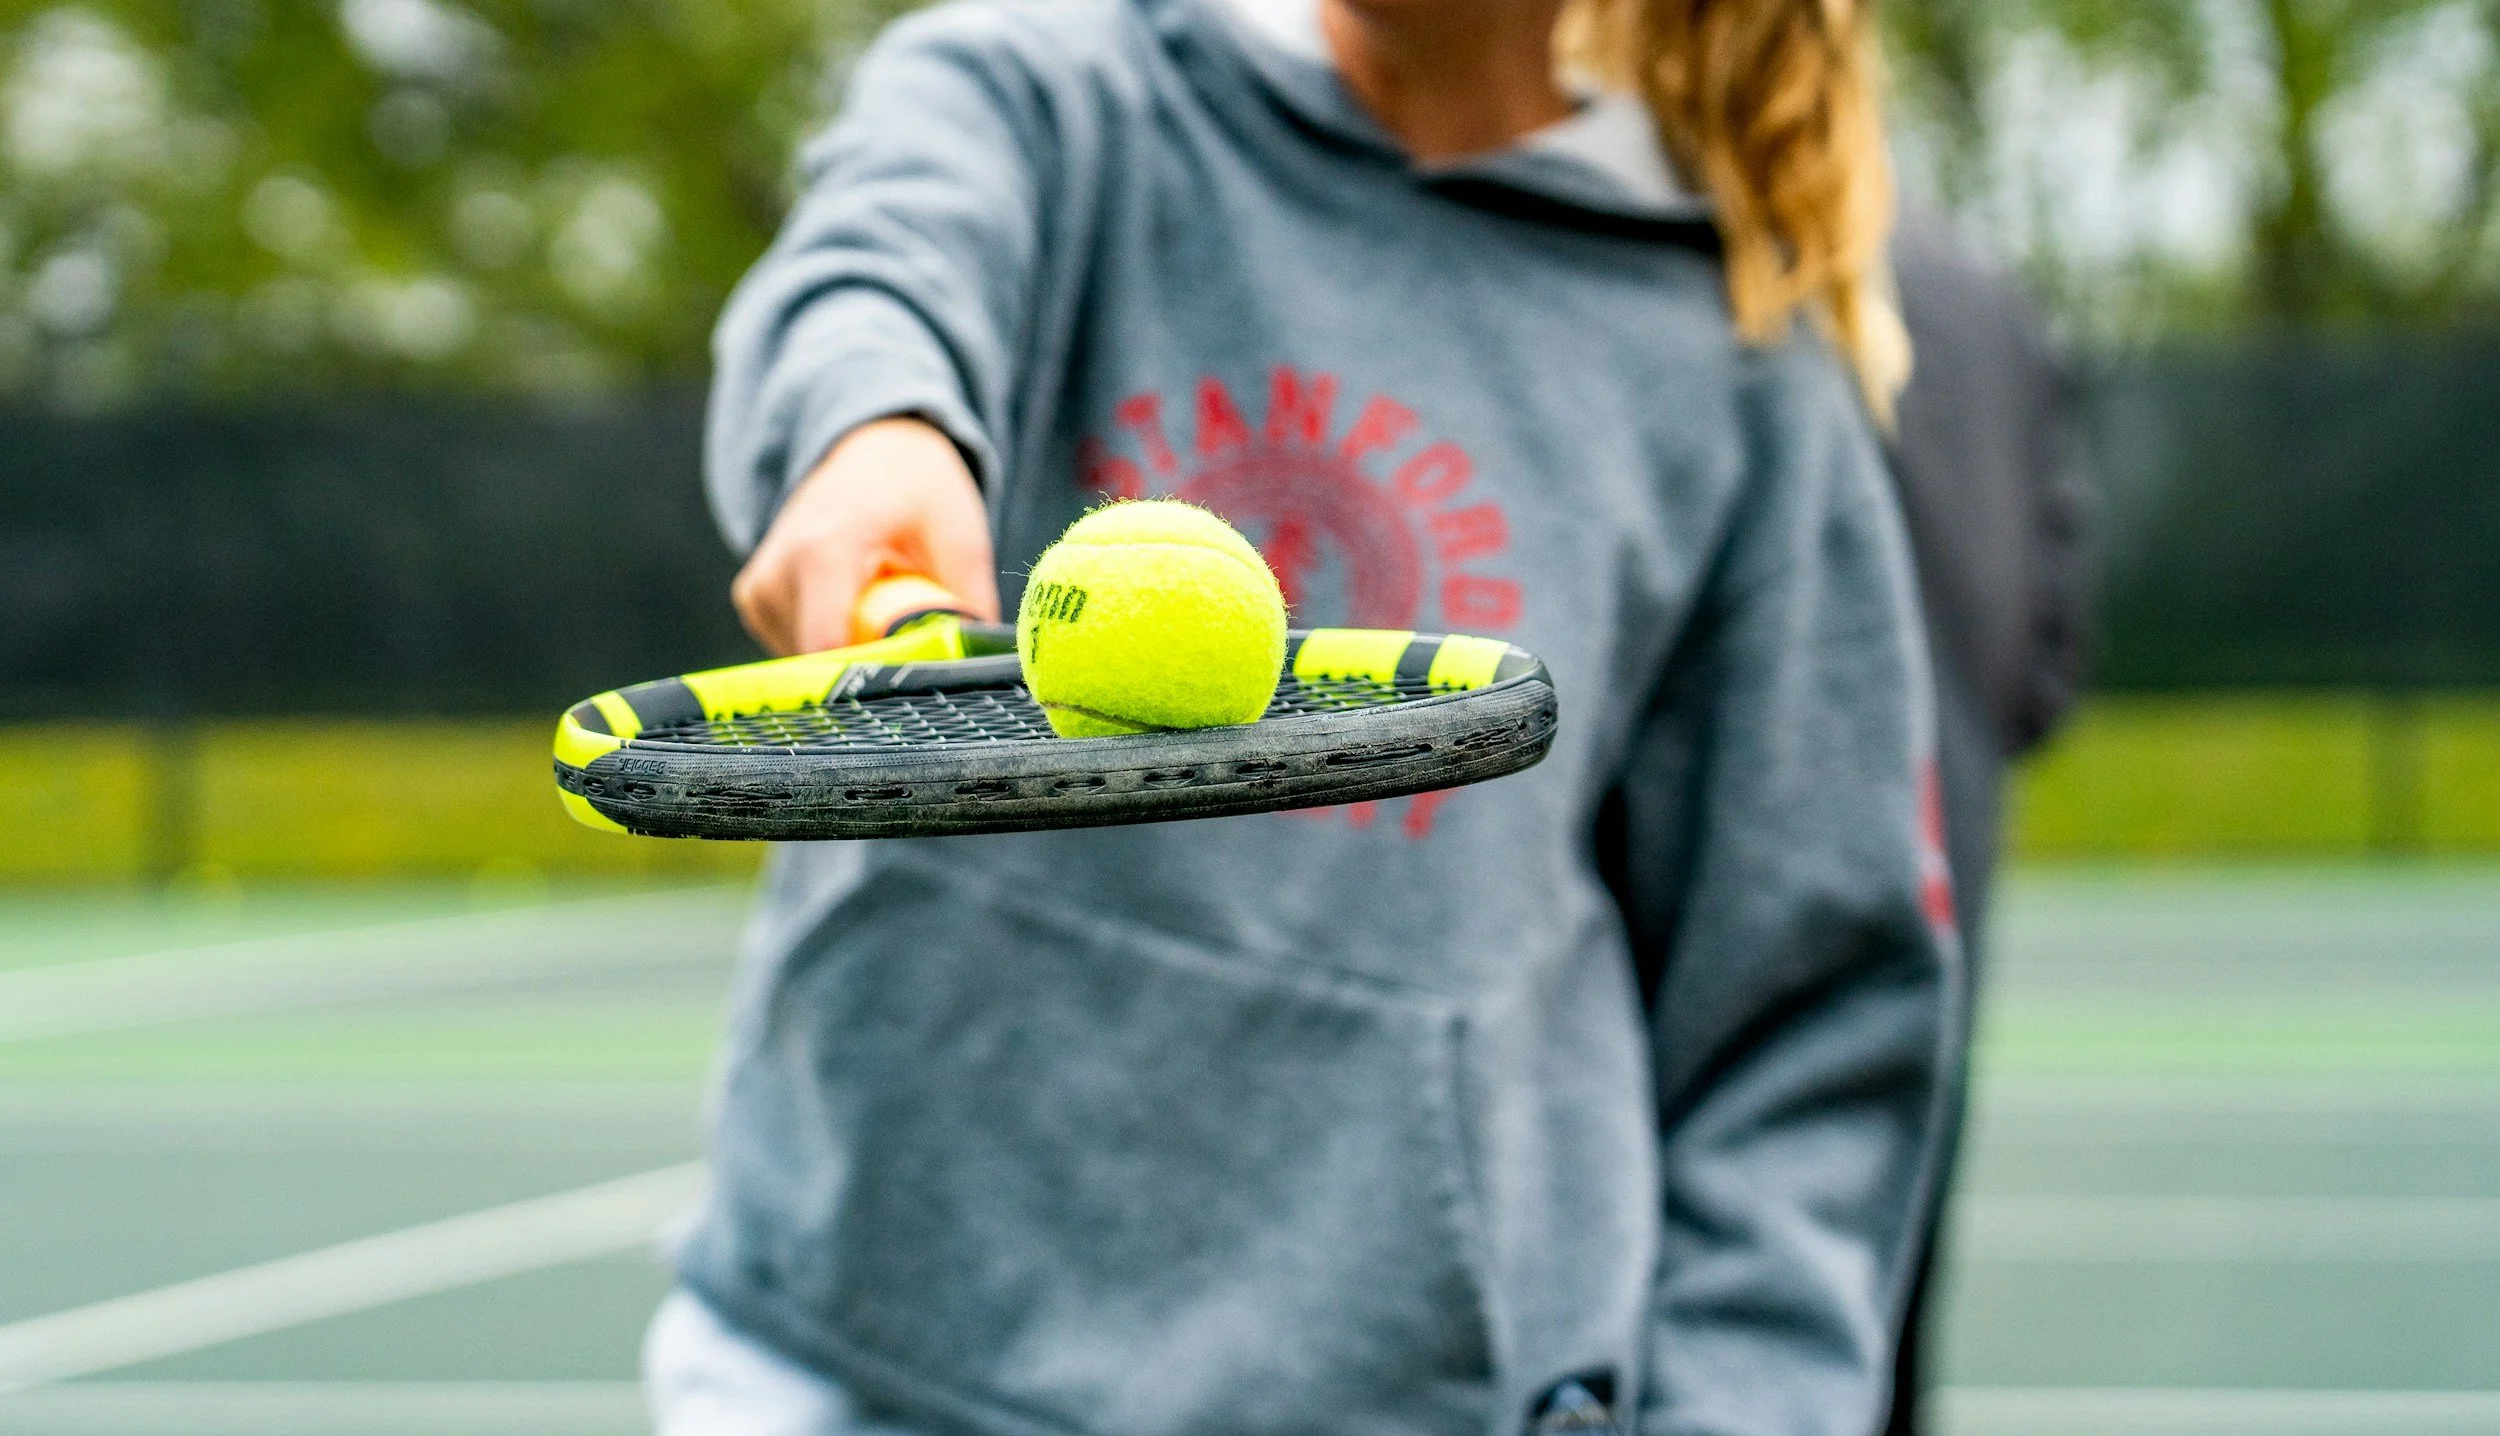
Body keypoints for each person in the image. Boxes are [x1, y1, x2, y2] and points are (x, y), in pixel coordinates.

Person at [653, 0, 1963, 1431]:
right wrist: (872, 427)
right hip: (857, 1359)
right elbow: (873, 264)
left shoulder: (1738, 361)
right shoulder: (1047, 84)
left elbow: (1807, 1015)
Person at [1879, 209, 2092, 1436]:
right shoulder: (1982, 287)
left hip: (1705, 898)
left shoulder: (1695, 254)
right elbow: (2059, 591)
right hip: (1943, 848)